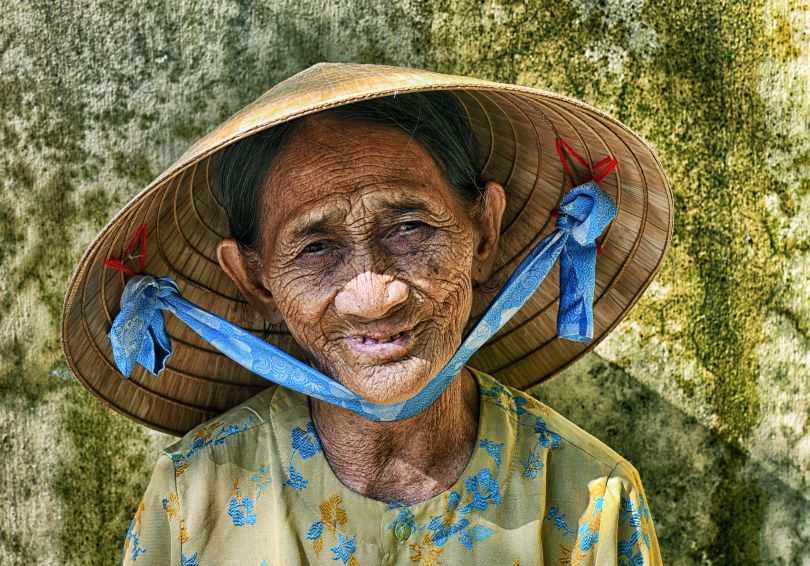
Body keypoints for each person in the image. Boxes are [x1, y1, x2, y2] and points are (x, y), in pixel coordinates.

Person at [61, 63, 671, 564]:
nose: (374, 295)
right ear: (254, 280)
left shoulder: (591, 498)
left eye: (409, 227)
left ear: (483, 230)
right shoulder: (195, 499)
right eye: (316, 247)